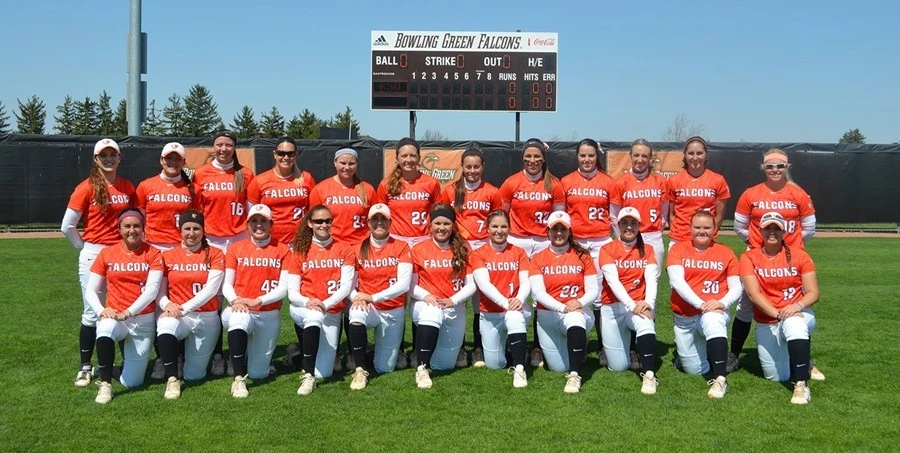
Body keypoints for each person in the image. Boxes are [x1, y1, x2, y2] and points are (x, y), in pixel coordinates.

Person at [730, 148, 818, 373]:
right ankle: (734, 353)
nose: (775, 170)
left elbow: (809, 228)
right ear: (763, 168)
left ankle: (803, 359)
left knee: (795, 306)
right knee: (746, 306)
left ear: (787, 167)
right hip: (758, 260)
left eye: (780, 165)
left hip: (790, 261)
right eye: (770, 166)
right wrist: (760, 246)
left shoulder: (798, 194)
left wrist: (789, 247)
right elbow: (740, 226)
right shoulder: (751, 194)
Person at [61, 138, 136, 388]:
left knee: (123, 306)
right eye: (103, 155)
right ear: (96, 159)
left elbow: (134, 219)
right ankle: (85, 367)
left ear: (119, 158)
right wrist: (84, 247)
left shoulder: (127, 187)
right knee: (92, 311)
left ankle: (127, 362)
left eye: (112, 154)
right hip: (94, 253)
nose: (108, 159)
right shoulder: (86, 187)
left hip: (122, 253)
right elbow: (67, 225)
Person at [82, 208, 163, 403]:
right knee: (105, 327)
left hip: (141, 319)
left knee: (132, 382)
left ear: (143, 228)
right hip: (116, 318)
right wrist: (103, 311)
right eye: (127, 226)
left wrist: (128, 312)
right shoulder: (107, 253)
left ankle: (104, 368)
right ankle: (105, 384)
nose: (132, 230)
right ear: (119, 229)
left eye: (136, 226)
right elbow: (90, 290)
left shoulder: (153, 253)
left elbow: (152, 291)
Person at [739, 212, 821, 404]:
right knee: (776, 377)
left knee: (794, 324)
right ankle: (801, 361)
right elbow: (753, 295)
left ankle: (801, 384)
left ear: (784, 231)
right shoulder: (749, 257)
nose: (772, 232)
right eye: (768, 228)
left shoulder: (800, 255)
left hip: (799, 314)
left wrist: (796, 305)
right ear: (760, 231)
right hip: (769, 320)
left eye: (777, 228)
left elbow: (813, 292)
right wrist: (778, 314)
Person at [374, 137, 442, 368]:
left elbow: (438, 214)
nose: (409, 159)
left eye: (413, 155)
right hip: (397, 242)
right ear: (397, 158)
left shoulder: (431, 183)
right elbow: (379, 215)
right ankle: (399, 346)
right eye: (404, 155)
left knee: (420, 292)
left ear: (419, 157)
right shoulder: (386, 185)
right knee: (397, 292)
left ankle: (418, 347)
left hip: (423, 241)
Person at [192, 130, 255, 375]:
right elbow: (197, 209)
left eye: (228, 145)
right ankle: (218, 354)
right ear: (213, 146)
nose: (224, 149)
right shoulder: (201, 173)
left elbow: (251, 211)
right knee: (214, 297)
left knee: (241, 292)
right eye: (219, 144)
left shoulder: (245, 174)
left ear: (234, 147)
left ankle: (242, 350)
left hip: (239, 237)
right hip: (213, 240)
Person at [498, 138, 565, 368]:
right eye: (528, 156)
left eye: (537, 156)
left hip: (544, 242)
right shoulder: (511, 182)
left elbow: (558, 219)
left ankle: (538, 346)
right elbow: (502, 216)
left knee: (542, 293)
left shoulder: (553, 184)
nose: (532, 160)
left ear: (543, 159)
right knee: (516, 290)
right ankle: (514, 342)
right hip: (518, 240)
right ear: (523, 158)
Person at [666, 210, 742, 398]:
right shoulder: (678, 249)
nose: (702, 231)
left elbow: (737, 287)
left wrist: (722, 303)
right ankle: (704, 354)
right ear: (690, 229)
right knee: (695, 370)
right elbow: (677, 282)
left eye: (707, 227)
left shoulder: (726, 252)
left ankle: (720, 379)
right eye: (697, 227)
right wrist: (700, 303)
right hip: (686, 316)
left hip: (713, 310)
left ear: (715, 229)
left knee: (712, 320)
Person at [560, 138, 621, 367]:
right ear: (577, 157)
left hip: (600, 241)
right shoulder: (566, 182)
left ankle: (604, 345)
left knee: (597, 296)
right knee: (577, 291)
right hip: (575, 243)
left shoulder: (608, 182)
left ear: (598, 157)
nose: (587, 159)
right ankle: (581, 340)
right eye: (583, 155)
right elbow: (562, 216)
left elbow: (614, 217)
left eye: (591, 155)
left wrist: (616, 243)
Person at [440, 148, 503, 367]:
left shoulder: (492, 192)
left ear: (483, 167)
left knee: (481, 299)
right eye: (469, 166)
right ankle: (456, 347)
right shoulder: (450, 191)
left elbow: (497, 221)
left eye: (477, 166)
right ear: (462, 167)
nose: (473, 170)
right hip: (460, 248)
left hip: (484, 248)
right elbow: (444, 220)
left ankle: (478, 348)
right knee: (457, 295)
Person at [220, 204, 289, 398]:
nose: (259, 225)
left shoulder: (282, 249)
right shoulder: (236, 248)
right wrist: (236, 301)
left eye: (263, 221)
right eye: (254, 221)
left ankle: (252, 358)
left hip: (268, 312)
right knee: (239, 319)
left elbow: (283, 288)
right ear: (248, 225)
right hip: (241, 309)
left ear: (271, 224)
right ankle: (238, 378)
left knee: (259, 373)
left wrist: (257, 300)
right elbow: (227, 284)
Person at [155, 209, 225, 399]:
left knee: (194, 376)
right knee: (165, 323)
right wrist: (167, 305)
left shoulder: (215, 254)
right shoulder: (168, 255)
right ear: (180, 230)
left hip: (206, 317)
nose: (191, 233)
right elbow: (159, 290)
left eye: (196, 228)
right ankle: (171, 380)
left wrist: (182, 308)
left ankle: (183, 360)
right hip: (180, 317)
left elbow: (211, 290)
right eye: (187, 228)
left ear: (203, 230)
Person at [287, 205, 355, 395]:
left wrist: (325, 304)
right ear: (309, 223)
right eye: (318, 221)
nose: (323, 224)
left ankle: (296, 353)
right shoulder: (300, 250)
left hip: (331, 311)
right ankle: (308, 377)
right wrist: (309, 303)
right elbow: (292, 292)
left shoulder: (344, 249)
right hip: (305, 308)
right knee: (314, 317)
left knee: (324, 372)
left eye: (327, 221)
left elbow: (345, 288)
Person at [528, 211, 598, 393]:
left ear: (569, 231)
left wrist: (579, 303)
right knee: (557, 367)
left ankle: (574, 376)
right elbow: (538, 293)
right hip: (549, 315)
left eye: (563, 229)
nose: (559, 233)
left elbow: (593, 290)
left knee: (575, 319)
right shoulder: (538, 258)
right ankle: (580, 344)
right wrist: (562, 307)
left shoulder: (583, 255)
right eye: (555, 229)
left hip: (576, 312)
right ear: (548, 231)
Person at [346, 204, 413, 389]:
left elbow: (404, 285)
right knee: (356, 313)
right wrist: (357, 297)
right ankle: (359, 369)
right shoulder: (356, 248)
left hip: (392, 309)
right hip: (370, 308)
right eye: (375, 219)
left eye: (383, 219)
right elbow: (349, 286)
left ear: (390, 222)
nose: (379, 223)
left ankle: (368, 352)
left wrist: (372, 297)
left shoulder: (401, 246)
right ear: (368, 222)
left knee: (385, 367)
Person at [410, 204, 476, 389]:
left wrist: (452, 300)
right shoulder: (418, 249)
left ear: (453, 225)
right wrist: (427, 296)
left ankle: (429, 357)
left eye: (446, 223)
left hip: (454, 307)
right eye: (437, 223)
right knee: (433, 312)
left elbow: (472, 284)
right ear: (430, 225)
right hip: (426, 305)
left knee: (443, 365)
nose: (441, 227)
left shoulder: (463, 248)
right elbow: (410, 285)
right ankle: (421, 368)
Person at [598, 207, 660, 395]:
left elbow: (651, 278)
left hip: (638, 305)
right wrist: (632, 305)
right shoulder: (607, 248)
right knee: (618, 367)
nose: (629, 227)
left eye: (633, 223)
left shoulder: (648, 249)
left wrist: (648, 303)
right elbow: (613, 281)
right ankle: (628, 353)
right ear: (618, 226)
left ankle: (649, 375)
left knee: (646, 324)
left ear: (639, 226)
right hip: (613, 308)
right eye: (625, 223)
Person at [471, 210, 531, 388]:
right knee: (495, 364)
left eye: (504, 226)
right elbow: (484, 285)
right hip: (490, 313)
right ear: (487, 229)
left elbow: (526, 281)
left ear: (509, 228)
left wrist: (519, 299)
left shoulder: (519, 252)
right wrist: (506, 303)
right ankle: (514, 349)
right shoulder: (478, 253)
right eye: (495, 226)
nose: (499, 230)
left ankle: (520, 368)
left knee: (514, 317)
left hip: (515, 309)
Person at [246, 136, 316, 245]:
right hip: (270, 242)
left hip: (299, 241)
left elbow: (313, 211)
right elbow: (250, 214)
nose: (286, 157)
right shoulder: (260, 181)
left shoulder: (306, 178)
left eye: (290, 154)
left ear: (296, 155)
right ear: (275, 154)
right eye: (281, 153)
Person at [614, 139, 668, 277]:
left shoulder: (660, 181)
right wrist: (623, 238)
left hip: (653, 236)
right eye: (636, 155)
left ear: (650, 158)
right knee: (630, 278)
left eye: (644, 156)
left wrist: (656, 233)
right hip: (630, 236)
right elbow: (614, 216)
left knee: (652, 279)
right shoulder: (620, 183)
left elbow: (663, 213)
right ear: (630, 156)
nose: (640, 159)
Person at [666, 136, 730, 250]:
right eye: (691, 153)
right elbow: (671, 215)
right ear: (685, 156)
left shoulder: (718, 180)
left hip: (705, 239)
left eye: (699, 153)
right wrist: (677, 232)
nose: (695, 158)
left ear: (706, 155)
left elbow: (719, 216)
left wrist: (707, 233)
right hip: (679, 238)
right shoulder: (674, 180)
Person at [135, 142, 197, 250]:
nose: (173, 162)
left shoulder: (193, 188)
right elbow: (138, 219)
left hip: (181, 246)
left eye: (177, 159)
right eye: (169, 158)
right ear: (161, 160)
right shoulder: (145, 185)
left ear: (184, 162)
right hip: (151, 245)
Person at [309, 147, 376, 245]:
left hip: (360, 245)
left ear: (357, 164)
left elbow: (376, 219)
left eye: (351, 163)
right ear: (335, 163)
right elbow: (313, 220)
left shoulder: (368, 189)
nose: (347, 167)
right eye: (343, 163)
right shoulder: (320, 189)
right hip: (331, 245)